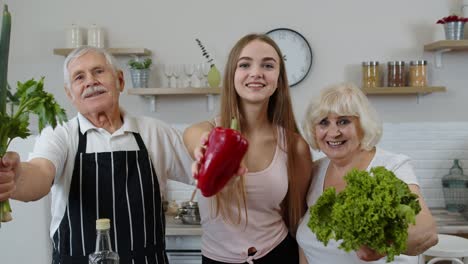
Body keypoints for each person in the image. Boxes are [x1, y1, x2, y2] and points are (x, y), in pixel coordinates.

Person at [0, 46, 194, 264]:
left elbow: (205, 174)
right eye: (79, 77)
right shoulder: (60, 133)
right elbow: (40, 173)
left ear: (120, 80)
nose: (90, 81)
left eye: (98, 71)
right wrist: (15, 177)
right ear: (70, 94)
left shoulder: (154, 132)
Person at [183, 33, 313, 264]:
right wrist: (204, 153)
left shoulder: (295, 146)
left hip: (278, 254)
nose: (256, 73)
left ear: (278, 79)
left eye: (268, 65)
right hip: (216, 259)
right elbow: (198, 142)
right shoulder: (202, 132)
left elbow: (298, 219)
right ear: (232, 75)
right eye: (245, 64)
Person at [296, 83, 438, 263]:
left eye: (343, 121)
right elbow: (306, 245)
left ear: (363, 125)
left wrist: (384, 246)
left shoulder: (391, 166)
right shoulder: (315, 171)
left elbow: (426, 233)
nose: (333, 132)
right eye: (324, 122)